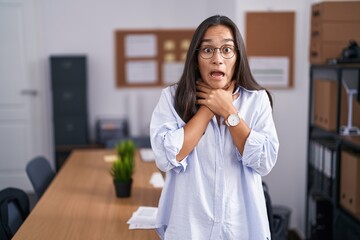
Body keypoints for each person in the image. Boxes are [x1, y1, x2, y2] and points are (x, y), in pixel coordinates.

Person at [150, 15, 279, 240]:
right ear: (196, 57)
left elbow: (264, 161)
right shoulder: (172, 98)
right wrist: (209, 108)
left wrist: (229, 112)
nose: (217, 59)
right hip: (188, 229)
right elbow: (167, 156)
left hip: (240, 228)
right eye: (208, 50)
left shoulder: (256, 101)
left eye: (227, 50)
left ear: (238, 57)